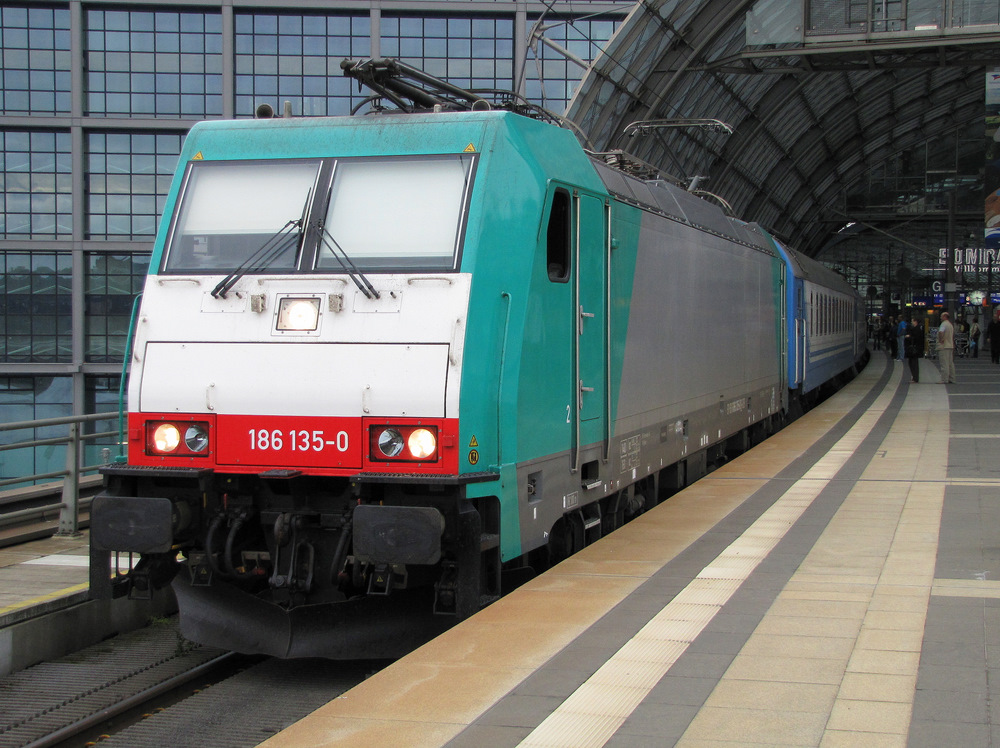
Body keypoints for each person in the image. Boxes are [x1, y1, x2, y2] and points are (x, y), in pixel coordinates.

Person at [937, 311, 955, 384]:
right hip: (950, 345)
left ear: (944, 316)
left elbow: (941, 332)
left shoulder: (943, 324)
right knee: (950, 363)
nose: (940, 318)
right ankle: (952, 378)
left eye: (941, 316)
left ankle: (944, 379)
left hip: (944, 346)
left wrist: (940, 339)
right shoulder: (950, 325)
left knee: (944, 363)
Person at [904, 317, 924, 383]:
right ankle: (914, 377)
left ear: (915, 322)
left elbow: (916, 338)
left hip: (914, 349)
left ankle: (915, 378)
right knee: (912, 363)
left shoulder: (917, 329)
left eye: (912, 321)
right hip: (915, 349)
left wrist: (909, 337)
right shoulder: (918, 329)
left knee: (913, 363)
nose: (911, 322)